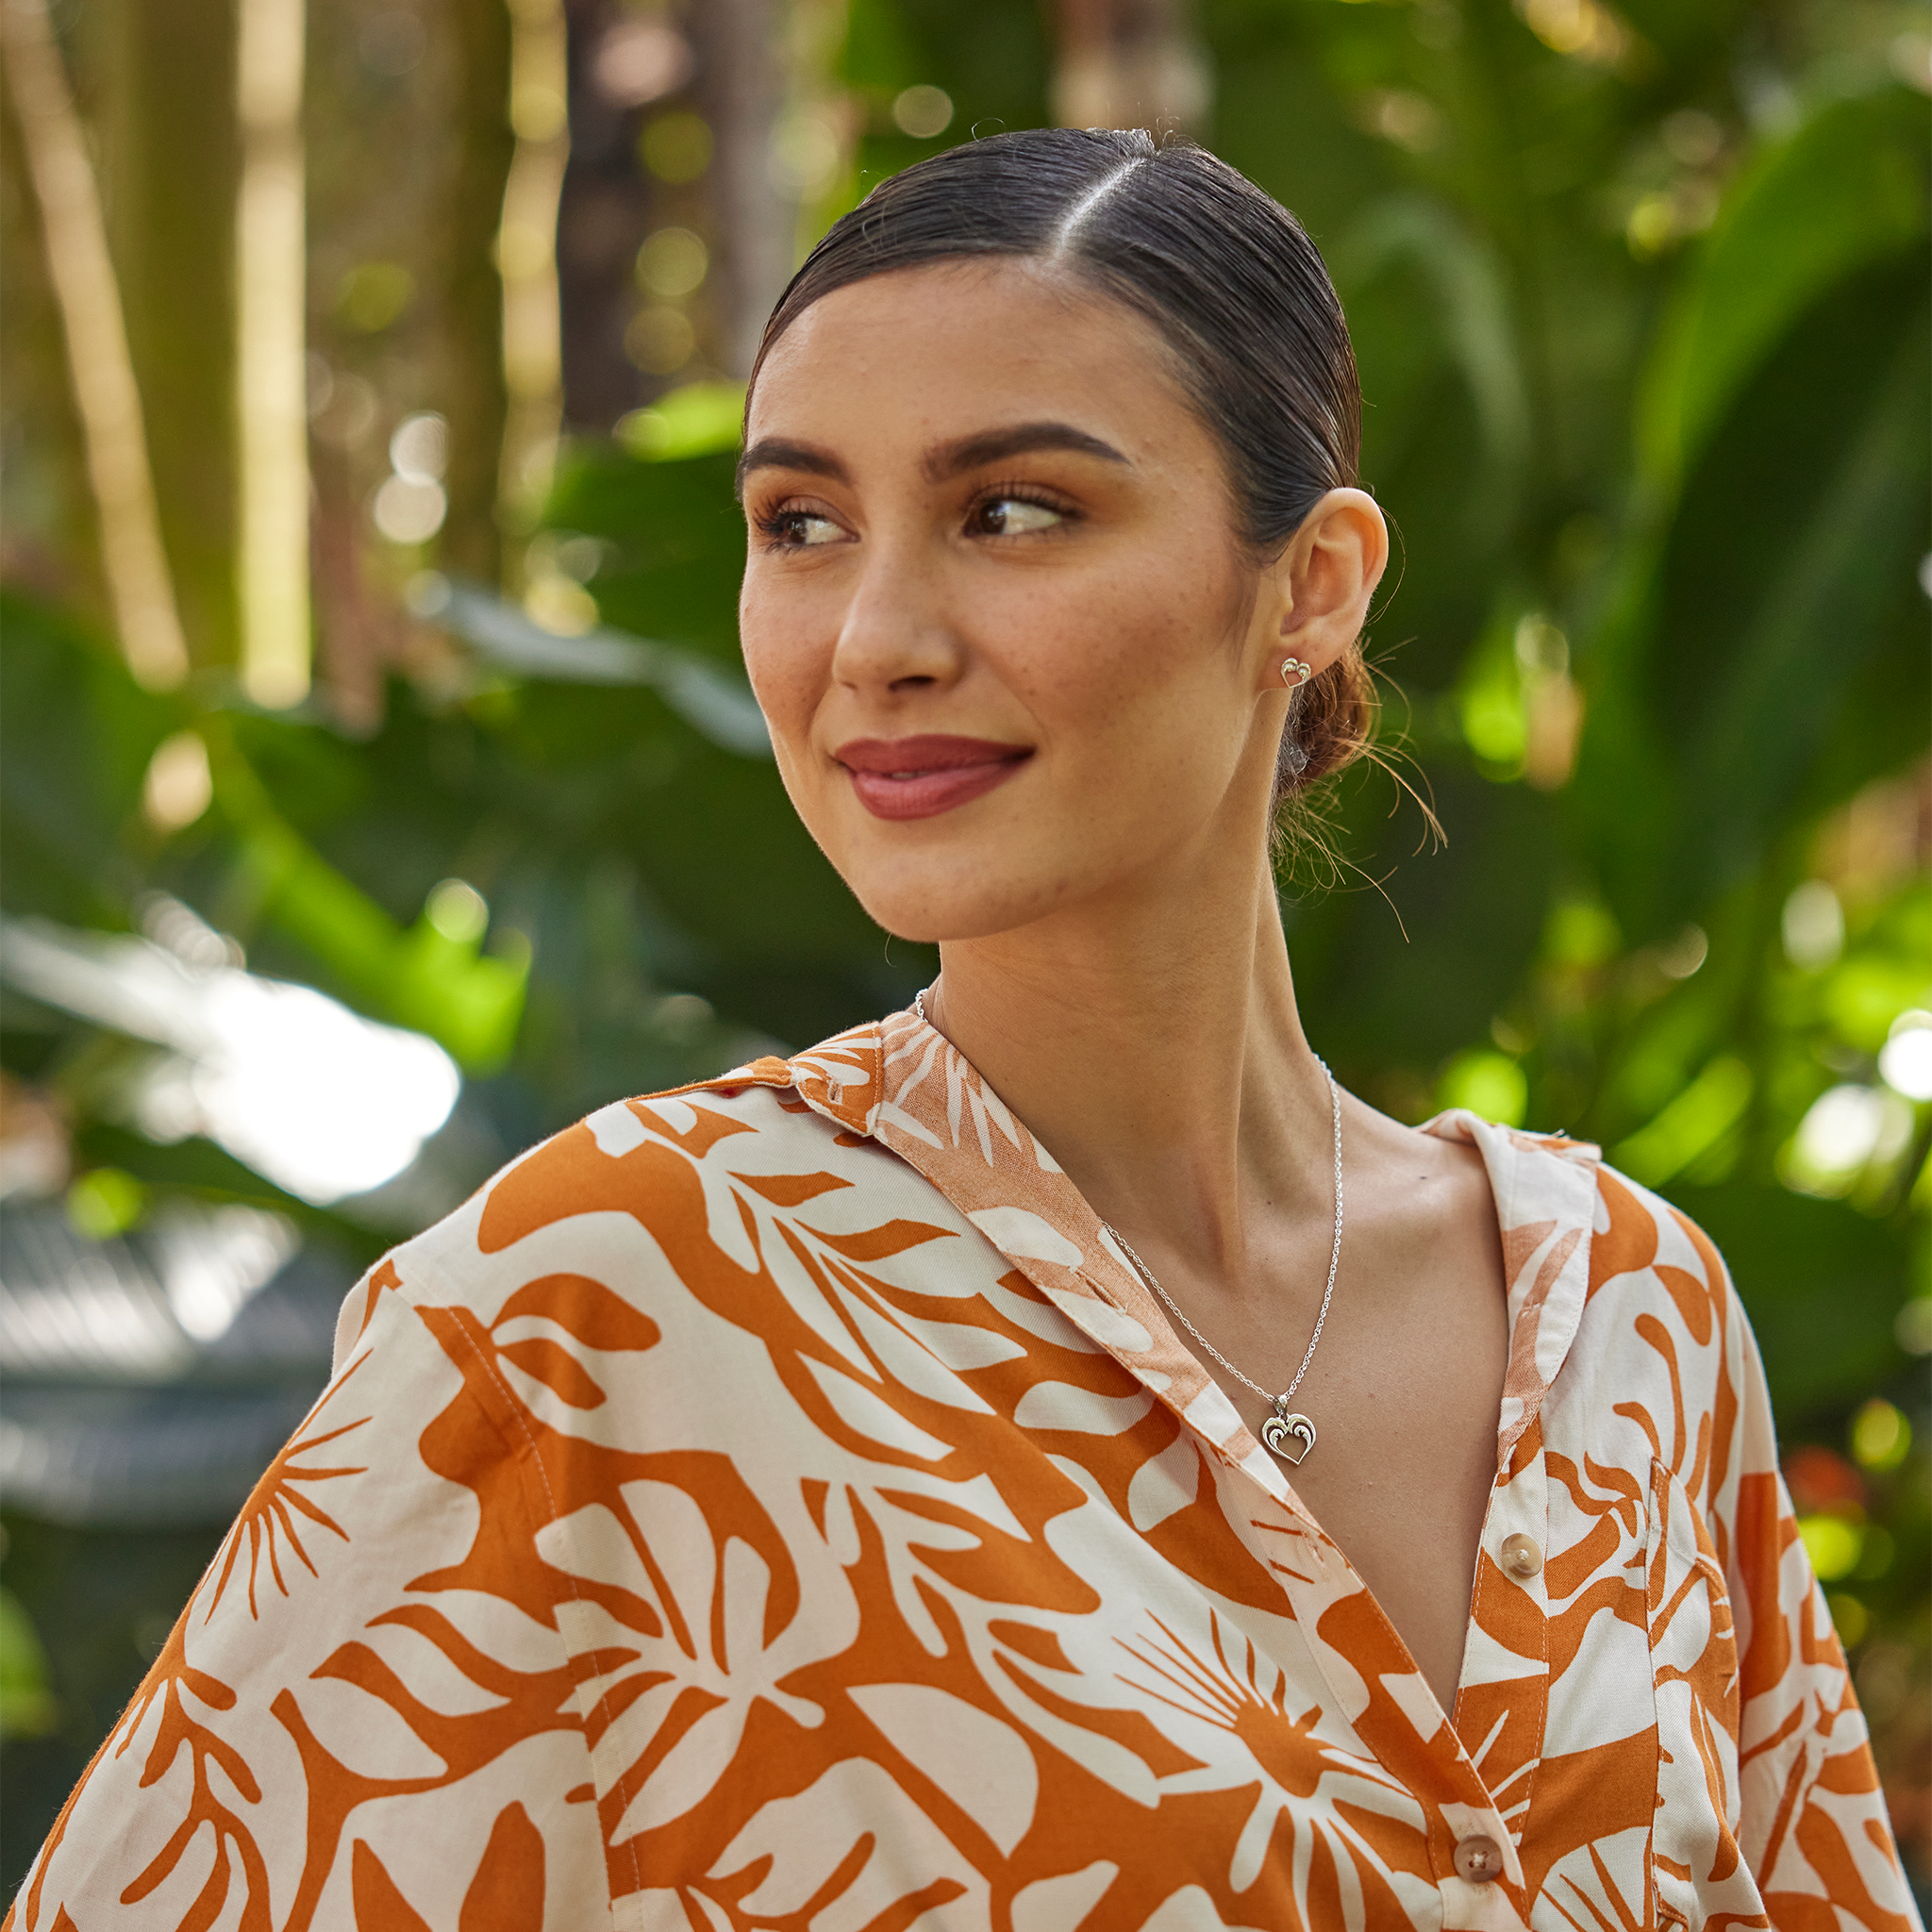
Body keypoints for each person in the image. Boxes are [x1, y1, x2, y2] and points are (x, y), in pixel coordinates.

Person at [11, 127, 1918, 1932]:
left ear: (1312, 584)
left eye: (1013, 511)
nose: (875, 638)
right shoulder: (606, 1306)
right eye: (801, 523)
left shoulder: (1629, 1316)